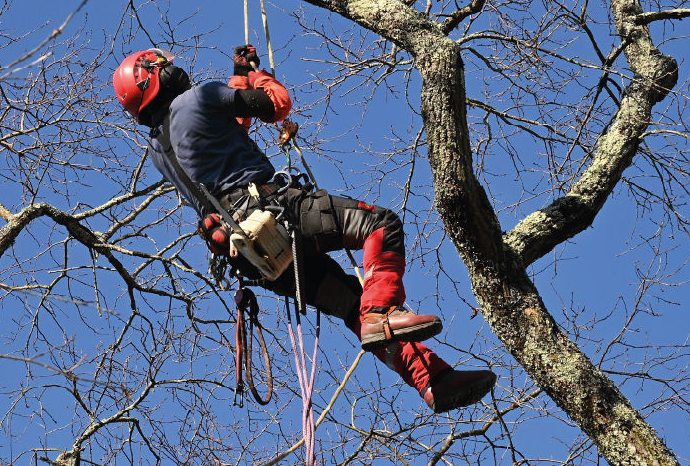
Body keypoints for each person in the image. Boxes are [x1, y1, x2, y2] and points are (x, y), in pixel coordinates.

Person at [112, 46, 496, 412]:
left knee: (350, 302)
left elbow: (226, 132)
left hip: (253, 254)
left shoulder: (159, 149)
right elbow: (275, 106)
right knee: (380, 224)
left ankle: (430, 379)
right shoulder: (199, 96)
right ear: (154, 76)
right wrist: (260, 77)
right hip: (277, 213)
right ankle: (382, 310)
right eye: (164, 67)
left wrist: (240, 77)